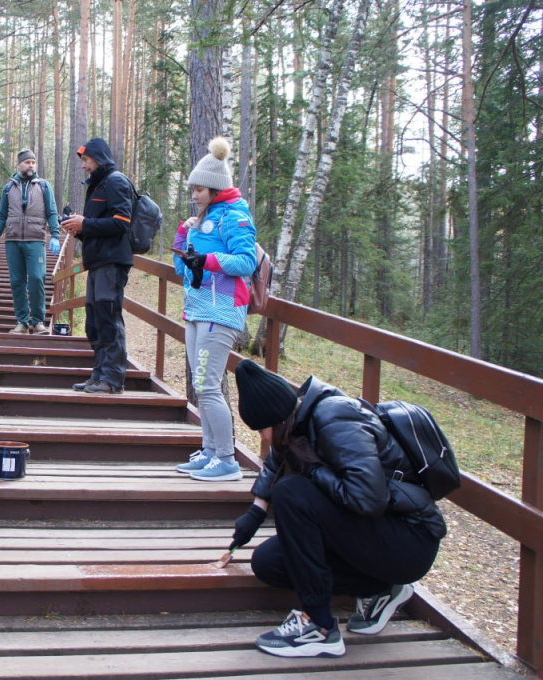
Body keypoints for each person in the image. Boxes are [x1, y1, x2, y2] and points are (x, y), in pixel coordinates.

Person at [229, 359, 446, 658]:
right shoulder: (299, 420)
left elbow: (369, 499)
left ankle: (318, 626)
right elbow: (278, 459)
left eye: (261, 429)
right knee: (268, 562)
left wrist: (313, 471)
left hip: (409, 539)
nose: (262, 438)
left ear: (276, 420)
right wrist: (256, 511)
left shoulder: (335, 418)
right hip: (377, 535)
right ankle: (379, 588)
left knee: (291, 492)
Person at [172, 137, 257, 482]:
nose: (193, 195)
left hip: (220, 313)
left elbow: (246, 261)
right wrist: (182, 235)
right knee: (200, 385)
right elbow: (182, 268)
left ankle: (226, 459)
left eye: (199, 190)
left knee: (207, 386)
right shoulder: (203, 220)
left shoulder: (235, 217)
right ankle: (209, 451)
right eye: (192, 189)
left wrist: (207, 259)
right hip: (197, 310)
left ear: (216, 189)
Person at [59, 138, 135, 394]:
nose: (83, 166)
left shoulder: (115, 181)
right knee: (95, 320)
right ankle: (99, 375)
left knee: (108, 317)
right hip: (98, 261)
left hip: (112, 263)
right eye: (82, 162)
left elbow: (122, 222)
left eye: (86, 161)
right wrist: (77, 228)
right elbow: (100, 227)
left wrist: (86, 224)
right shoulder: (99, 185)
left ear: (99, 158)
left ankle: (113, 380)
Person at [0, 148, 61, 335]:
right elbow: (2, 215)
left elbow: (52, 212)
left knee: (37, 278)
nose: (31, 165)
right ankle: (22, 322)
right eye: (28, 162)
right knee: (17, 281)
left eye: (33, 162)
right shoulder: (8, 187)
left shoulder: (44, 186)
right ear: (19, 164)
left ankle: (38, 322)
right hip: (13, 241)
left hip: (35, 240)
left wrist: (54, 235)